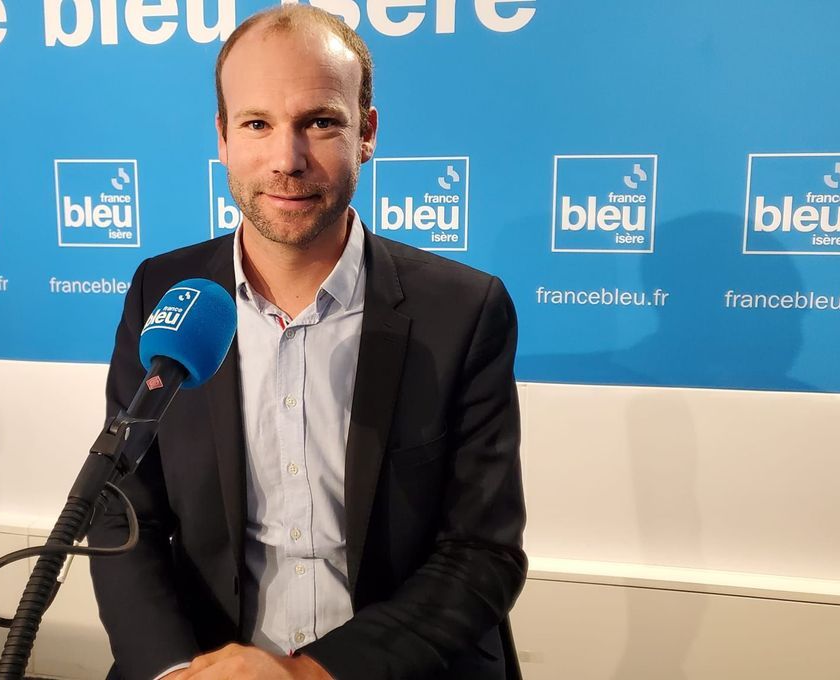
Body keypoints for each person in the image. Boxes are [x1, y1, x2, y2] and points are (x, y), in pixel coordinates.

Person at [88, 6, 526, 679]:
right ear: (222, 137)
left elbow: (481, 552)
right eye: (256, 124)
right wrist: (175, 671)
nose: (286, 161)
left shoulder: (463, 311)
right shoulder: (163, 292)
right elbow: (123, 514)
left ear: (366, 133)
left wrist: (306, 674)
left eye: (319, 123)